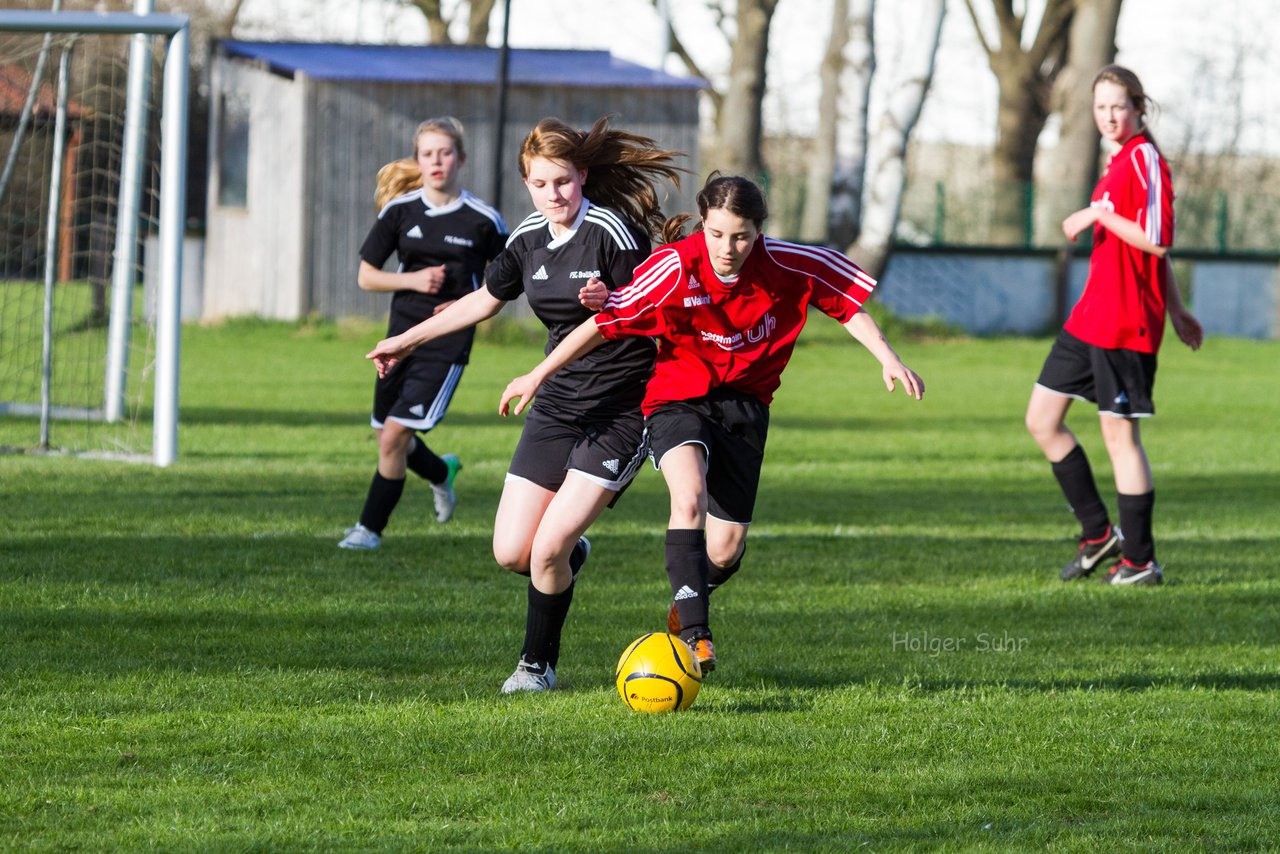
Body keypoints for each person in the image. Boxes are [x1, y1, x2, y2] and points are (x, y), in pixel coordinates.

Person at [500, 174, 924, 672]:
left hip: (745, 407)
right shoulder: (676, 266)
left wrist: (888, 357)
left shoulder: (790, 263)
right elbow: (602, 323)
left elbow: (846, 305)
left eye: (741, 236)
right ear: (704, 224)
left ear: (759, 231)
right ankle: (698, 636)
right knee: (689, 496)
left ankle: (687, 604)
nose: (728, 247)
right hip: (677, 399)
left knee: (724, 549)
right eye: (718, 233)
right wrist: (537, 372)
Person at [366, 116, 685, 692]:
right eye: (540, 184)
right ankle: (566, 555)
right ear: (527, 183)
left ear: (582, 175)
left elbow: (657, 309)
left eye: (562, 181)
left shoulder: (611, 232)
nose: (553, 195)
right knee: (513, 552)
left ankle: (536, 668)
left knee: (545, 551)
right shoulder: (527, 239)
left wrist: (613, 301)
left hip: (621, 409)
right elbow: (484, 300)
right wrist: (403, 341)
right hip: (558, 405)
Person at [1025, 65, 1203, 585]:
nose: (1108, 116)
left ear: (1139, 108)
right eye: (1101, 107)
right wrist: (1179, 309)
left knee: (1120, 439)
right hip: (1091, 318)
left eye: (1118, 106)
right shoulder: (1119, 159)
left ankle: (1140, 561)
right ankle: (1098, 532)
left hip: (1125, 326)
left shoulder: (1144, 158)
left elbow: (1156, 240)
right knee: (1042, 420)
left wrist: (1096, 214)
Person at [339, 118, 508, 550]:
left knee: (395, 434)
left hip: (446, 343)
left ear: (461, 159)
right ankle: (441, 473)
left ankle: (369, 531)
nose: (437, 161)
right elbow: (366, 276)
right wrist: (413, 282)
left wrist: (467, 306)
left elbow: (510, 279)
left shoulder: (483, 220)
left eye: (445, 152)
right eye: (428, 153)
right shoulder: (400, 211)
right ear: (418, 159)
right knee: (387, 436)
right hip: (398, 339)